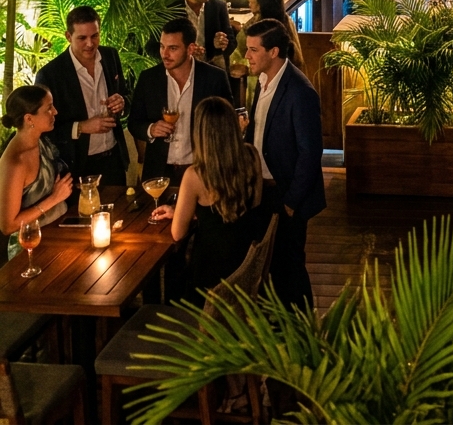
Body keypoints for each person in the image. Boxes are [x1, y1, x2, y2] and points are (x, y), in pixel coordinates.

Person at [150, 96, 268, 304]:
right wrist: (193, 211)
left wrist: (183, 212)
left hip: (210, 279)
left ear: (201, 133)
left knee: (175, 282)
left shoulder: (195, 175)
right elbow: (253, 205)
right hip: (244, 267)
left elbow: (177, 234)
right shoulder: (251, 156)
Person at [244, 18, 325, 309]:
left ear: (274, 51)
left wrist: (291, 201)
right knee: (270, 265)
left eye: (253, 50)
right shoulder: (263, 82)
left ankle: (301, 329)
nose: (247, 56)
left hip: (285, 193)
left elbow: (310, 152)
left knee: (289, 268)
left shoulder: (300, 92)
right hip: (262, 190)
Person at [129, 18, 234, 185]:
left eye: (173, 48)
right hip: (159, 171)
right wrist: (151, 129)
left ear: (190, 48)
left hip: (201, 170)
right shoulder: (148, 79)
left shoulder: (214, 78)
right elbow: (134, 123)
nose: (165, 54)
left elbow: (228, 123)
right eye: (162, 46)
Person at [36, 6, 129, 184]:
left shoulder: (110, 56)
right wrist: (81, 127)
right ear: (68, 37)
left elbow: (126, 96)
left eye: (95, 36)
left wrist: (122, 102)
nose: (90, 43)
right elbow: (42, 131)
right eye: (82, 38)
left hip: (113, 161)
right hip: (76, 166)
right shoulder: (50, 74)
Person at [0, 87, 74, 260]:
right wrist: (54, 199)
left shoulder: (41, 142)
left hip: (57, 230)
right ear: (29, 118)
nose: (55, 112)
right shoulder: (15, 162)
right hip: (29, 247)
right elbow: (8, 225)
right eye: (49, 108)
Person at [173, 0, 235, 71]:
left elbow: (232, 43)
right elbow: (153, 47)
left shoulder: (218, 7)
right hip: (182, 71)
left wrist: (221, 44)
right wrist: (184, 52)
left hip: (211, 70)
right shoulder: (172, 10)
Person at [243, 0, 305, 75]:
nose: (249, 4)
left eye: (251, 2)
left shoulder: (262, 28)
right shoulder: (286, 21)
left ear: (260, 3)